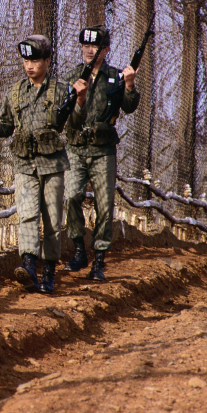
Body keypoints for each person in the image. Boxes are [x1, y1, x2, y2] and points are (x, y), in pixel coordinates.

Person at [0, 35, 87, 294]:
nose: (29, 65)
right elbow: (7, 126)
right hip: (24, 163)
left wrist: (79, 100)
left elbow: (75, 124)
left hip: (52, 163)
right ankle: (29, 267)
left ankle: (49, 273)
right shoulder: (15, 92)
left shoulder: (62, 90)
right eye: (26, 60)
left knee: (53, 219)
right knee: (27, 215)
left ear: (47, 60)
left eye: (35, 60)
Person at [62, 25, 140, 281]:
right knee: (72, 196)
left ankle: (100, 260)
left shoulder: (115, 77)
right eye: (85, 46)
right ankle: (77, 249)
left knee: (104, 203)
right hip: (75, 147)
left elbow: (129, 107)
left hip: (103, 149)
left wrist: (129, 85)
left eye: (94, 47)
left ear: (105, 50)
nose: (89, 51)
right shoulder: (73, 76)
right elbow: (65, 114)